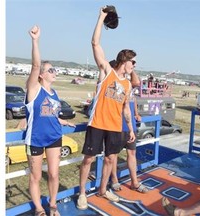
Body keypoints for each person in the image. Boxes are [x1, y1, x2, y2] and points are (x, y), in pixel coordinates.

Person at [77, 6, 136, 210]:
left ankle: (103, 189)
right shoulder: (107, 72)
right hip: (97, 123)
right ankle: (82, 193)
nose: (134, 65)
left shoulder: (127, 84)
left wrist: (129, 128)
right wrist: (101, 18)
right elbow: (95, 43)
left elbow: (125, 108)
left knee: (111, 159)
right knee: (89, 159)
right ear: (124, 60)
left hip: (114, 126)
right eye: (132, 62)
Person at [25, 25, 75, 216]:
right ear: (42, 74)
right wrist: (35, 41)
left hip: (55, 136)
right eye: (51, 69)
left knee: (54, 174)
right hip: (35, 139)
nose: (55, 72)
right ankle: (39, 209)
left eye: (55, 69)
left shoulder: (54, 93)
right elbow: (35, 65)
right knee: (36, 176)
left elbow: (51, 114)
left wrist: (63, 122)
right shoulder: (34, 89)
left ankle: (52, 204)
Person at [110, 74, 149, 193]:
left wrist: (136, 113)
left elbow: (134, 96)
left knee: (132, 153)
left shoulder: (128, 85)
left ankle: (134, 182)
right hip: (116, 126)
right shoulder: (114, 85)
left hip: (130, 127)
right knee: (114, 155)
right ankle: (114, 180)